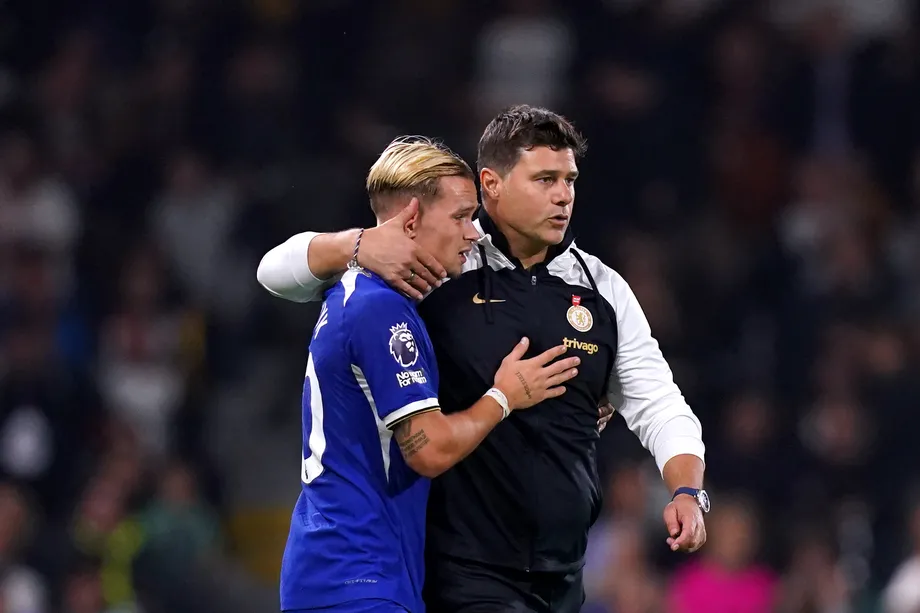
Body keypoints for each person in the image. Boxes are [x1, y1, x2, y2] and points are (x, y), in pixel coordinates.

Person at [259, 106, 709, 613]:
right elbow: (275, 272)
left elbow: (660, 403)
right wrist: (357, 243)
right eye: (544, 179)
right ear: (492, 184)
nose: (563, 195)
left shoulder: (602, 289)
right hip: (461, 568)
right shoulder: (440, 263)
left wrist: (688, 492)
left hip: (563, 570)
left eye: (569, 180)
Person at [276, 135, 582, 613]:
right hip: (358, 578)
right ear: (413, 218)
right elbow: (430, 449)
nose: (475, 232)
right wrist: (504, 396)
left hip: (351, 570)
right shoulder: (382, 312)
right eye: (461, 216)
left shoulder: (363, 292)